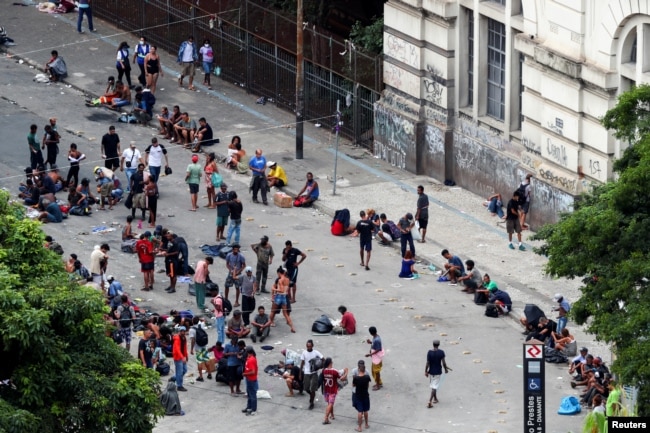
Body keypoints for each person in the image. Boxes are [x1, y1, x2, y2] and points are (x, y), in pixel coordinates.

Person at [321, 357, 348, 425]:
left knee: (329, 403)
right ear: (330, 363)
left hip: (326, 389)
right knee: (331, 403)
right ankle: (326, 418)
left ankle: (332, 415)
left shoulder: (323, 370)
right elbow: (342, 378)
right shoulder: (334, 371)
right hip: (332, 390)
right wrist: (346, 372)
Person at [268, 267, 296, 333]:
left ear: (279, 273)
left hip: (279, 296)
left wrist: (274, 289)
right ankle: (292, 327)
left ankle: (270, 322)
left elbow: (281, 290)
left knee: (273, 311)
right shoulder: (287, 279)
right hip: (284, 297)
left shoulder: (280, 280)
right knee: (285, 314)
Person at [425, 339, 450, 407]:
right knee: (434, 387)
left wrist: (426, 371)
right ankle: (430, 401)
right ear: (438, 345)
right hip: (438, 372)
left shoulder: (429, 352)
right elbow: (444, 363)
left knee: (433, 385)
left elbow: (427, 363)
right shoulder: (441, 352)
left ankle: (435, 398)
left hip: (431, 372)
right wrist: (446, 369)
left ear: (433, 345)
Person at [300, 339, 324, 410]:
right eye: (307, 346)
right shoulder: (304, 353)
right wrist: (300, 373)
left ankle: (312, 402)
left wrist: (320, 366)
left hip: (314, 373)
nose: (309, 348)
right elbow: (302, 363)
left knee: (313, 389)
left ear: (312, 346)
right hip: (306, 372)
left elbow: (323, 359)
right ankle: (311, 395)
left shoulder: (316, 352)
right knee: (306, 388)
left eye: (310, 346)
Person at [353, 360, 371, 431]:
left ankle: (359, 427)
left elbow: (353, 385)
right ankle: (366, 424)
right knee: (366, 410)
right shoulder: (367, 377)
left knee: (360, 411)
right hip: (365, 395)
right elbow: (368, 385)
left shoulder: (356, 378)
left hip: (358, 395)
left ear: (359, 369)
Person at [172, 326, 189, 391]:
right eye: (181, 331)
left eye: (184, 331)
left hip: (182, 357)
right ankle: (179, 386)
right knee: (180, 372)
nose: (183, 332)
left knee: (184, 370)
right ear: (179, 331)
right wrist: (182, 357)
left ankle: (174, 378)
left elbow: (184, 348)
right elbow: (177, 349)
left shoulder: (184, 338)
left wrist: (186, 356)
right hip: (178, 357)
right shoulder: (177, 338)